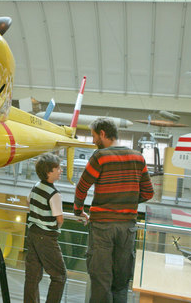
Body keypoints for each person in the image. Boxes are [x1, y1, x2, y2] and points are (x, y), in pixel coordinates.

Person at [73, 117, 153, 303]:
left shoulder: (100, 157)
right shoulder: (138, 158)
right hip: (127, 229)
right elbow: (148, 193)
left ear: (102, 133)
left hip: (102, 227)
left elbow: (82, 187)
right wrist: (129, 200)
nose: (93, 142)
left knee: (101, 281)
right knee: (120, 282)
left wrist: (78, 211)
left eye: (93, 137)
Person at [24, 153, 67, 303]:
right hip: (47, 237)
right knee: (59, 276)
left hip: (33, 232)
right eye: (58, 168)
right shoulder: (54, 194)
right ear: (49, 172)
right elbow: (59, 219)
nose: (61, 170)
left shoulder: (36, 186)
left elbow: (28, 201)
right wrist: (55, 227)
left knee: (32, 276)